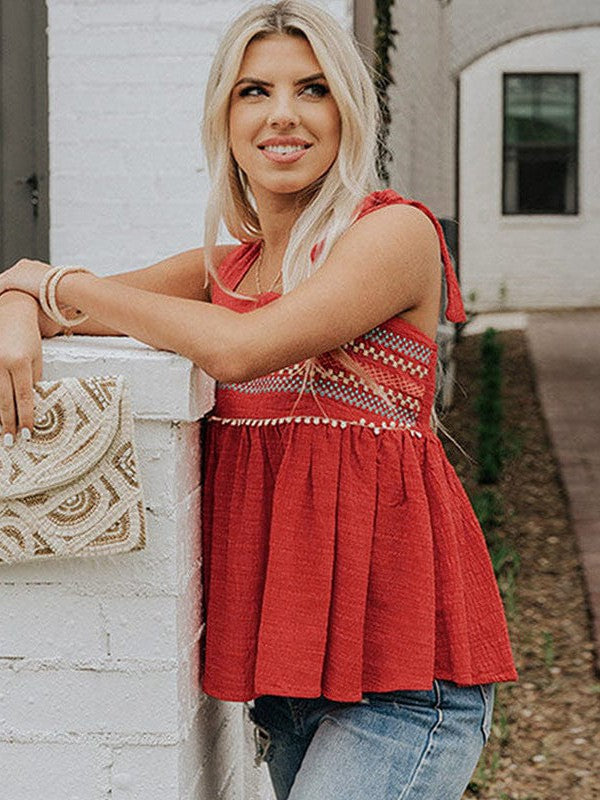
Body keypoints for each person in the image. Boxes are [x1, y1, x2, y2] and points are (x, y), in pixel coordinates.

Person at [0, 1, 518, 797]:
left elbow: (241, 347)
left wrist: (57, 281)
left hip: (409, 686)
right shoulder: (226, 271)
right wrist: (17, 300)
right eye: (254, 91)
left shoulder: (393, 235)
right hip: (294, 685)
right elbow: (44, 306)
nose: (284, 115)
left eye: (312, 90)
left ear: (348, 111)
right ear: (225, 116)